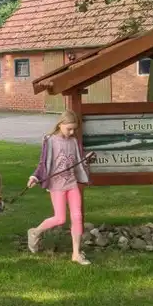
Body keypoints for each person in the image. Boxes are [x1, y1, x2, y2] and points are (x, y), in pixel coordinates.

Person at [26, 110, 92, 266]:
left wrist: (87, 158)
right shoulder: (50, 141)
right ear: (60, 124)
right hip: (57, 186)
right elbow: (43, 163)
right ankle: (35, 232)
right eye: (69, 128)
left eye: (74, 129)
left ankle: (76, 254)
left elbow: (79, 161)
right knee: (60, 218)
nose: (71, 132)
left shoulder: (74, 142)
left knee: (77, 217)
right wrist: (35, 176)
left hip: (72, 184)